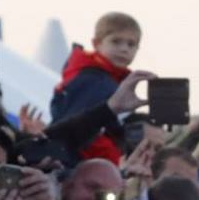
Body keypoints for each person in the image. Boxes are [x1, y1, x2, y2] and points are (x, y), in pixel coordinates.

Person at [50, 13, 144, 165]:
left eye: (131, 44)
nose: (124, 49)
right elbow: (83, 130)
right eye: (116, 41)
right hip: (84, 166)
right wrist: (113, 162)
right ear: (96, 43)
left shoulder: (111, 81)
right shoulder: (93, 81)